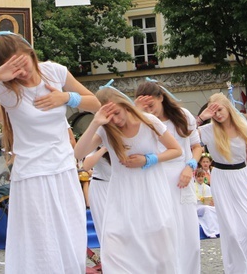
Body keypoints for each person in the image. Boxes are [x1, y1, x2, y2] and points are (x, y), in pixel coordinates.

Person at [0, 28, 100, 274]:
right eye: (14, 67)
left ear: (31, 53)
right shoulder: (5, 88)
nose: (23, 71)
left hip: (63, 169)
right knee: (39, 241)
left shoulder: (54, 71)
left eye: (25, 61)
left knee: (70, 234)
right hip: (31, 174)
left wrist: (66, 98)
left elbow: (96, 103)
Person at [73, 87, 182, 274]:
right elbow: (78, 154)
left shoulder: (149, 121)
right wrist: (96, 123)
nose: (115, 120)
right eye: (109, 117)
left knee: (159, 251)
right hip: (121, 194)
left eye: (116, 113)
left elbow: (176, 150)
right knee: (115, 247)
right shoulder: (105, 129)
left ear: (124, 105)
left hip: (151, 191)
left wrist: (149, 159)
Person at [135, 79, 202, 274]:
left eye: (151, 105)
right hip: (154, 177)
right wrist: (138, 113)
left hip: (182, 177)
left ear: (161, 98)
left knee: (188, 236)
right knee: (163, 235)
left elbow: (196, 146)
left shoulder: (183, 116)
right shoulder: (141, 121)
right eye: (144, 106)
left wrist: (190, 165)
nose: (149, 110)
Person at [198, 92, 247, 274]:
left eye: (220, 109)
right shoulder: (208, 131)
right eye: (214, 112)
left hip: (242, 176)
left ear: (227, 108)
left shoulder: (244, 128)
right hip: (221, 177)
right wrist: (201, 118)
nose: (218, 114)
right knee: (232, 231)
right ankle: (237, 269)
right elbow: (184, 136)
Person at [83, 146, 111, 247]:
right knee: (105, 228)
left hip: (118, 187)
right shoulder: (98, 143)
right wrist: (104, 149)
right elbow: (86, 165)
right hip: (100, 187)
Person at [194, 168, 220, 238]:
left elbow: (210, 199)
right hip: (196, 207)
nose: (200, 178)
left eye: (202, 176)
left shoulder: (207, 187)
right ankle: (210, 231)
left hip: (205, 205)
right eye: (199, 176)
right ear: (195, 177)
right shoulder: (192, 186)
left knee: (215, 209)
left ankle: (217, 230)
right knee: (207, 209)